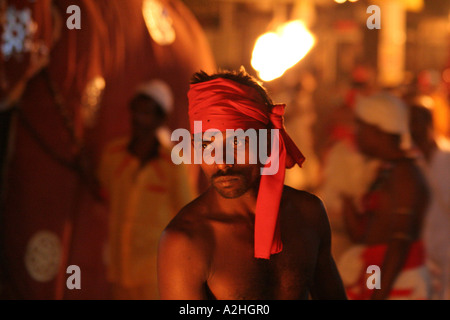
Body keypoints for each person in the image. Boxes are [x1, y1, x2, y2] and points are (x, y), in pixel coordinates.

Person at [157, 69, 347, 300]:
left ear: (267, 141)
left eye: (237, 142)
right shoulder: (187, 241)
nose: (223, 162)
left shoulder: (308, 213)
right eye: (206, 145)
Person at [98, 80, 194, 300]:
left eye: (147, 113)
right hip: (119, 269)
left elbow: (187, 213)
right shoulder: (113, 155)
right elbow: (100, 194)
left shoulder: (171, 163)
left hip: (155, 274)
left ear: (160, 119)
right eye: (136, 111)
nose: (139, 118)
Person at [338, 92, 431, 300]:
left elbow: (399, 242)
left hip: (400, 277)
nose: (356, 134)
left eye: (361, 127)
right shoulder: (386, 171)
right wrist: (344, 191)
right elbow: (364, 236)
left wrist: (377, 296)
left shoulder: (405, 173)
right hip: (377, 271)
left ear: (379, 129)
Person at [409, 97, 450, 300]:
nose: (412, 128)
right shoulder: (408, 163)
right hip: (419, 258)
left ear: (429, 123)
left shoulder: (448, 158)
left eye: (416, 121)